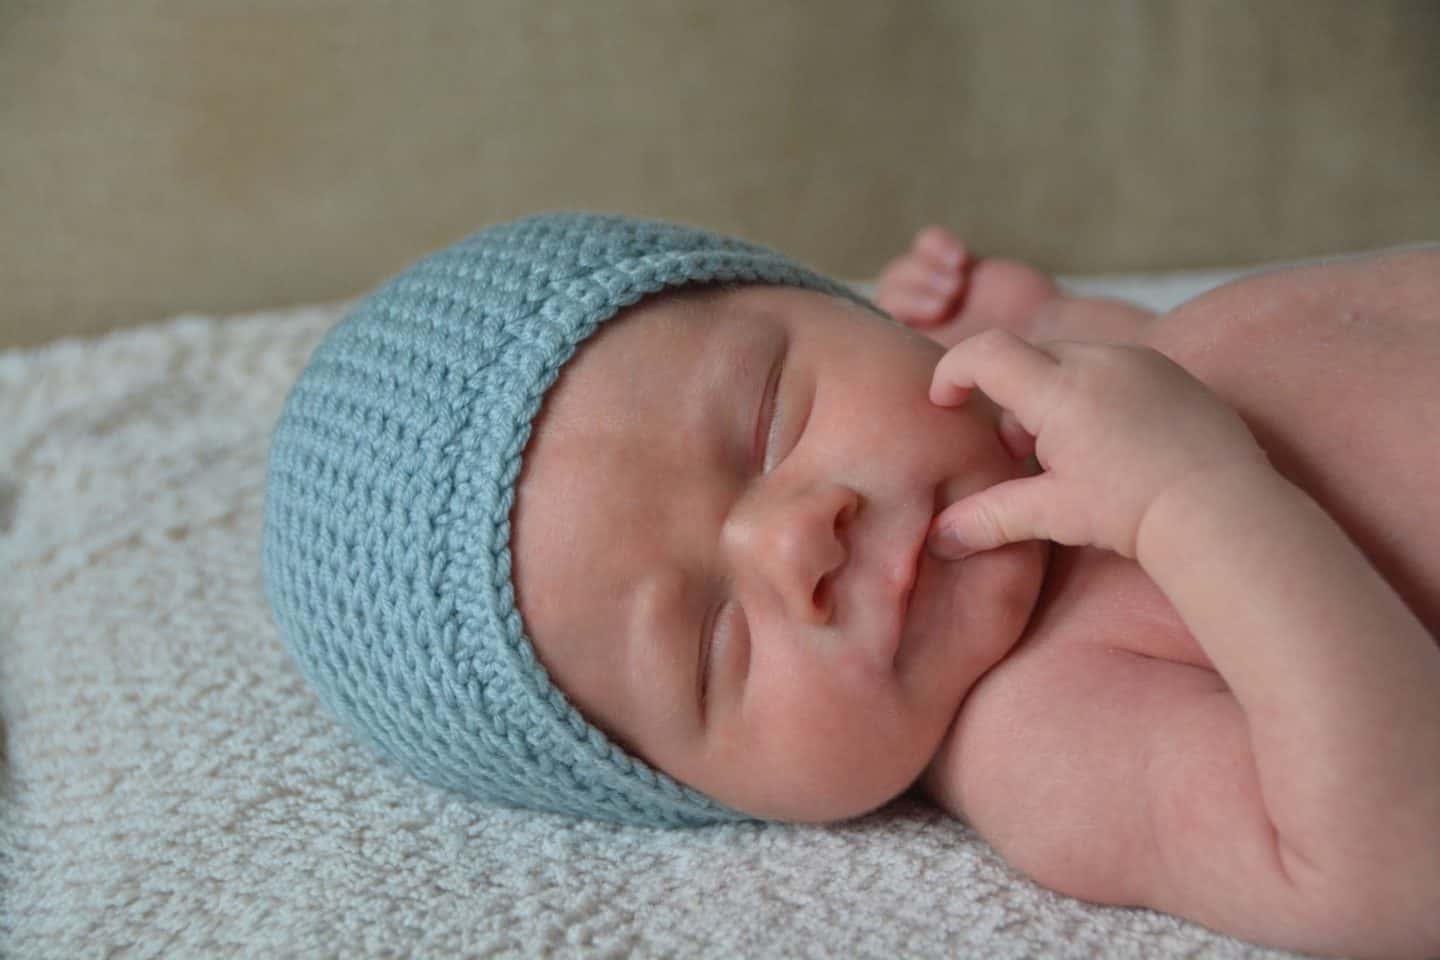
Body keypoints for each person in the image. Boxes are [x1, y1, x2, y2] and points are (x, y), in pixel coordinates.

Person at [263, 213, 1440, 959]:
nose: (793, 543)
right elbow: (1389, 869)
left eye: (768, 420)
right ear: (711, 794)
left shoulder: (1054, 401)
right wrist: (1193, 502)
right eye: (714, 643)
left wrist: (1063, 325)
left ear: (835, 304)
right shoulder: (1044, 733)